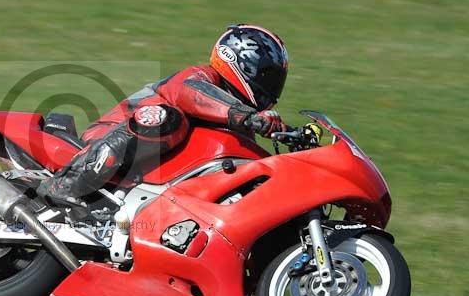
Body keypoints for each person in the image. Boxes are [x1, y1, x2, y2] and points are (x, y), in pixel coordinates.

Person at [37, 24, 290, 208]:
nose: (272, 86)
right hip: (106, 138)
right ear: (241, 60)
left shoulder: (240, 126)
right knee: (165, 119)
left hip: (150, 176)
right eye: (268, 76)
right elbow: (191, 94)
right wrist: (245, 115)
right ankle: (67, 183)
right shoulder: (203, 78)